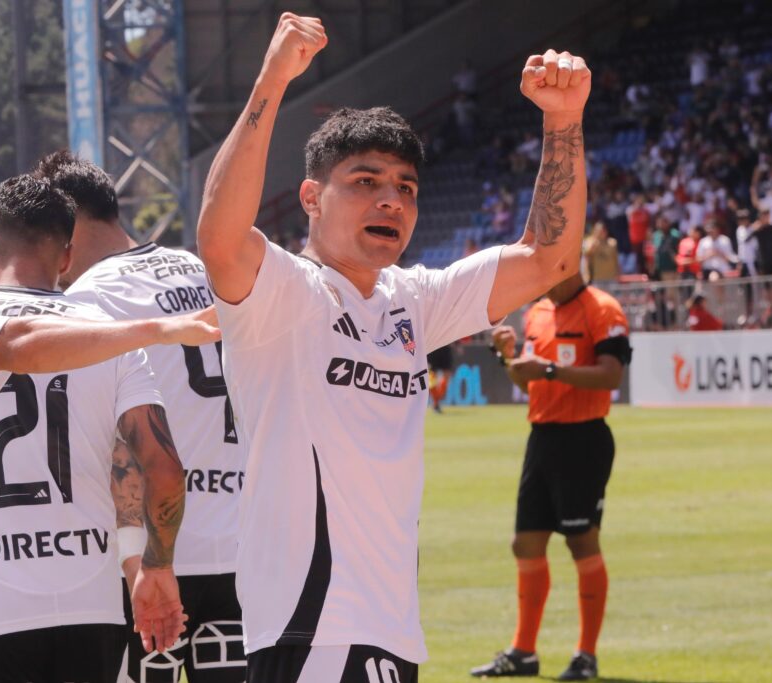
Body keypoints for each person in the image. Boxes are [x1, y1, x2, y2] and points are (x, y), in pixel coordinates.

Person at [196, 13, 591, 681]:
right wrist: (272, 81)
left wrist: (564, 121)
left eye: (405, 188)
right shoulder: (285, 294)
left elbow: (547, 259)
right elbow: (222, 238)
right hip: (310, 628)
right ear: (311, 199)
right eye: (366, 182)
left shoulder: (412, 298)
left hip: (391, 631)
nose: (391, 200)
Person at [0, 158, 211, 683]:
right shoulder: (109, 333)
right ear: (68, 254)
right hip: (93, 606)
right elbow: (163, 469)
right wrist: (156, 565)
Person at [35, 150, 248, 682]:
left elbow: (94, 446)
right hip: (247, 547)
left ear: (67, 226)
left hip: (155, 558)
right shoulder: (206, 269)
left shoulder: (87, 303)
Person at [473, 270, 630, 680]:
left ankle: (586, 656)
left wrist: (550, 371)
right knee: (525, 544)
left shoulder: (603, 309)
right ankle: (524, 652)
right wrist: (507, 357)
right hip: (542, 438)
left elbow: (612, 375)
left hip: (585, 438)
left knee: (582, 542)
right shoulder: (537, 313)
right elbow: (528, 382)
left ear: (569, 264)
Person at [427, 343, 455, 414]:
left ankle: (437, 400)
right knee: (432, 376)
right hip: (433, 346)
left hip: (445, 346)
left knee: (447, 375)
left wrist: (458, 343)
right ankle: (436, 403)